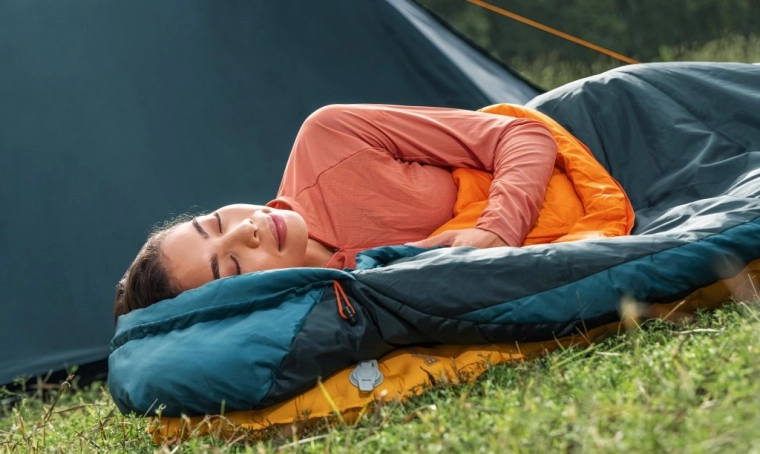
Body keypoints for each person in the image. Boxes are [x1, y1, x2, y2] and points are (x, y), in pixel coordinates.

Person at [113, 104, 559, 321]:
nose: (247, 228)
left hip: (577, 156)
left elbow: (523, 135)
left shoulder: (328, 138)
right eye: (232, 265)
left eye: (215, 222)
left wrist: (497, 231)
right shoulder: (331, 313)